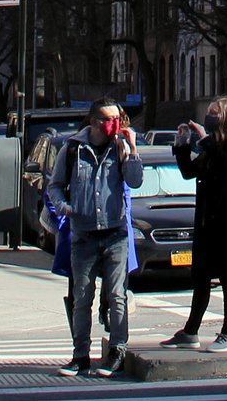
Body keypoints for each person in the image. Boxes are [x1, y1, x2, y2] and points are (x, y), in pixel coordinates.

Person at [44, 98, 143, 378]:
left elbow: (135, 181)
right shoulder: (73, 148)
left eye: (118, 118)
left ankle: (117, 351)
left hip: (115, 233)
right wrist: (64, 207)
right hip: (84, 234)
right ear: (95, 122)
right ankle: (80, 356)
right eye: (109, 119)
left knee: (116, 295)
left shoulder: (120, 146)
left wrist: (132, 149)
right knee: (82, 298)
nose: (115, 124)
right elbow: (55, 186)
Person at [162, 97, 227, 353]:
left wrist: (205, 139)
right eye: (209, 112)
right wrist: (182, 145)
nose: (209, 116)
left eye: (214, 112)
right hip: (207, 221)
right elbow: (189, 172)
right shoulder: (212, 146)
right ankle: (190, 331)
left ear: (226, 115)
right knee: (201, 276)